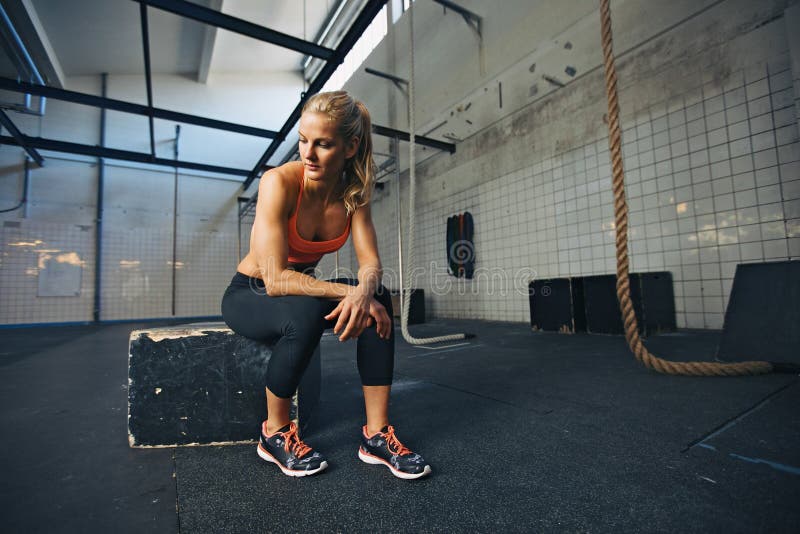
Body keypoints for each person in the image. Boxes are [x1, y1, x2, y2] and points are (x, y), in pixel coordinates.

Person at [221, 91, 431, 480]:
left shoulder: (354, 192)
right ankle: (275, 433)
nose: (308, 153)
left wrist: (365, 291)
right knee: (305, 311)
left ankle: (376, 434)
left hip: (301, 289)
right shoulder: (279, 183)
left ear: (350, 146)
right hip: (251, 293)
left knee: (377, 297)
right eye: (303, 140)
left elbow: (371, 264)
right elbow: (276, 279)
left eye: (323, 144)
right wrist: (349, 292)